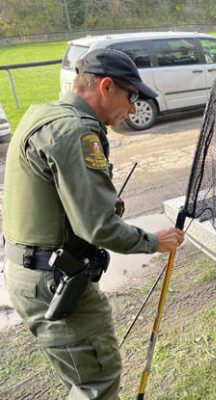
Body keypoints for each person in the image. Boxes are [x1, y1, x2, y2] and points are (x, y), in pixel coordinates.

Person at [2, 48, 184, 399]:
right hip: (52, 279)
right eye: (131, 96)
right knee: (96, 383)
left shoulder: (45, 114)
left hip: (35, 271)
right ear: (105, 87)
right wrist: (154, 241)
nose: (133, 108)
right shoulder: (77, 132)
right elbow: (98, 228)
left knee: (83, 379)